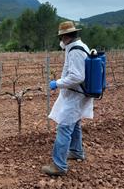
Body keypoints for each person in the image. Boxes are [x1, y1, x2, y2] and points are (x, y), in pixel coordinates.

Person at [41, 21, 94, 176]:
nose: (61, 41)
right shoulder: (78, 47)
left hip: (76, 95)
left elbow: (77, 76)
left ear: (65, 36)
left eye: (61, 37)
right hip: (77, 94)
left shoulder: (75, 51)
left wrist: (56, 83)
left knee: (64, 127)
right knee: (75, 123)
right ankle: (77, 151)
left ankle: (59, 166)